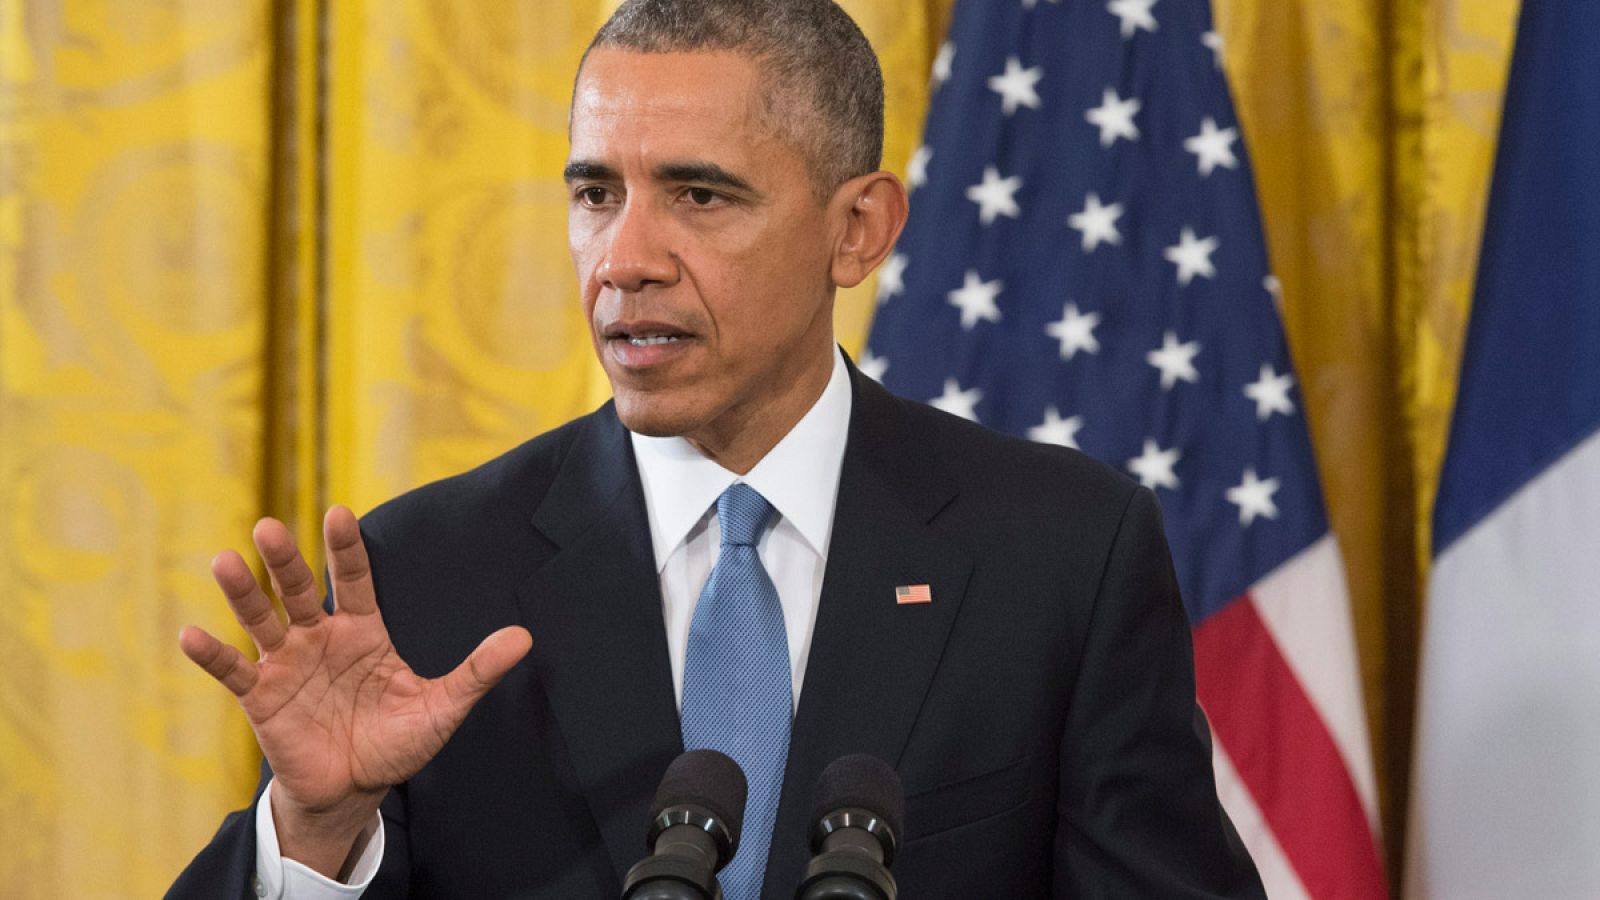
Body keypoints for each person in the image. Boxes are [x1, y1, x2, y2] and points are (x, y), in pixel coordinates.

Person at [170, 1, 1264, 897]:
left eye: (698, 194)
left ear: (858, 231)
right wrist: (312, 834)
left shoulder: (1060, 554)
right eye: (596, 194)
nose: (625, 258)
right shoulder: (428, 572)